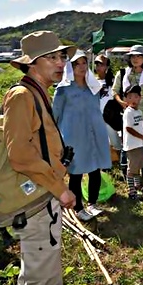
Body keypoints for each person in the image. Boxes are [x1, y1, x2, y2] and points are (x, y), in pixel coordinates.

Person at [4, 30, 76, 285]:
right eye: (52, 57)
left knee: (47, 281)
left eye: (62, 57)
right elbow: (20, 155)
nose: (61, 63)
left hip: (42, 198)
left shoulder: (37, 93)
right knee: (40, 284)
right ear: (32, 63)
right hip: (35, 202)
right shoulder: (22, 96)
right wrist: (61, 189)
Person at [53, 50, 112, 221]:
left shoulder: (93, 87)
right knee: (76, 172)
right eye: (76, 63)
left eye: (84, 63)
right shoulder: (63, 90)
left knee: (95, 168)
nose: (81, 67)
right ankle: (78, 207)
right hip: (74, 136)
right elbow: (54, 115)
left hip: (94, 133)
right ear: (70, 67)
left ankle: (92, 203)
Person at [112, 45, 143, 177]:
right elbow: (115, 91)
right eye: (133, 56)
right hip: (128, 115)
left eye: (138, 56)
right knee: (127, 142)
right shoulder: (122, 73)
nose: (135, 59)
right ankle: (126, 172)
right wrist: (121, 102)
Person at [122, 85, 143, 200]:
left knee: (138, 166)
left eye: (135, 97)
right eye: (129, 97)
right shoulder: (128, 112)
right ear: (125, 99)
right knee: (132, 169)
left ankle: (137, 185)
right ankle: (131, 191)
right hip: (133, 145)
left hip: (140, 144)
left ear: (140, 98)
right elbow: (129, 128)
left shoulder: (139, 111)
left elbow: (138, 125)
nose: (133, 100)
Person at [94, 54, 122, 153]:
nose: (98, 67)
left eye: (101, 65)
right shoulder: (92, 82)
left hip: (110, 116)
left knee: (114, 140)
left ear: (107, 66)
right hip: (97, 115)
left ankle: (119, 155)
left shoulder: (114, 81)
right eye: (97, 64)